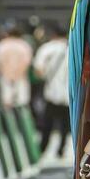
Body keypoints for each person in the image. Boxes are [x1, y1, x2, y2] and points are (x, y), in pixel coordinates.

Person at [33, 24, 71, 158]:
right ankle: (61, 150)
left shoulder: (46, 48)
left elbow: (38, 71)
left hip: (51, 93)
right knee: (65, 125)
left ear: (53, 34)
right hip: (67, 95)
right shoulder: (71, 48)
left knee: (47, 123)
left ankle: (42, 148)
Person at [0, 26, 32, 108]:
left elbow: (0, 62)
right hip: (21, 77)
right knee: (22, 104)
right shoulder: (24, 45)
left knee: (7, 104)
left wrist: (8, 74)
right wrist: (18, 74)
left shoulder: (3, 45)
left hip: (6, 77)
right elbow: (27, 63)